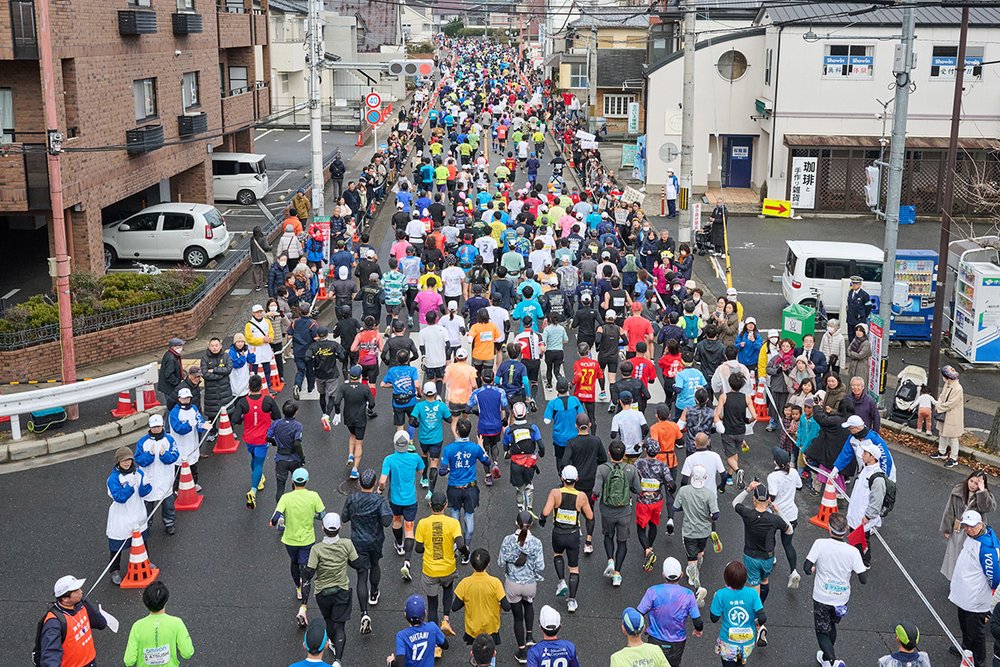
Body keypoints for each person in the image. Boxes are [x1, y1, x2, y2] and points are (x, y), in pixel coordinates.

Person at [730, 480, 791, 646]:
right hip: (768, 558)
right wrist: (778, 511)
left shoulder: (748, 514)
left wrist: (748, 489)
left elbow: (735, 503)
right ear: (768, 500)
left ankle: (757, 619)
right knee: (765, 581)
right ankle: (759, 609)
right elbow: (789, 529)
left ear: (755, 500)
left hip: (750, 556)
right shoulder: (774, 519)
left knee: (754, 587)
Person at [802, 512, 867, 667]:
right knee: (831, 625)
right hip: (841, 598)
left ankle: (833, 660)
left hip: (822, 596)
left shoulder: (820, 544)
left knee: (822, 630)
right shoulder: (852, 551)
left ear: (829, 529)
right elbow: (863, 579)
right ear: (845, 531)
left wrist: (812, 570)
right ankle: (826, 659)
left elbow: (806, 568)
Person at [298, 513, 361, 667]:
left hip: (322, 593)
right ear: (340, 527)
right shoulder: (347, 544)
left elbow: (310, 572)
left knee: (328, 621)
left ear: (322, 528)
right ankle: (338, 661)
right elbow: (357, 564)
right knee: (340, 626)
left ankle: (331, 641)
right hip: (342, 591)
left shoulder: (316, 549)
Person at [341, 468, 393, 634]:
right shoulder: (378, 500)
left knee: (361, 575)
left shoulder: (352, 498)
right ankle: (374, 592)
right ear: (375, 483)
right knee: (375, 565)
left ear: (359, 482)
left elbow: (344, 518)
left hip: (358, 542)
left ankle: (364, 613)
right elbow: (386, 522)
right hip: (375, 540)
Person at [948, 510, 1000, 667]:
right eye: (965, 526)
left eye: (971, 526)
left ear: (980, 524)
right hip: (964, 594)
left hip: (974, 599)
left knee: (976, 633)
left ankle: (978, 661)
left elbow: (994, 578)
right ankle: (965, 649)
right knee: (964, 625)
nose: (968, 529)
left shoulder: (987, 548)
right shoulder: (974, 536)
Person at [415, 491, 468, 641]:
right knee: (448, 589)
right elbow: (460, 544)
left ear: (430, 505)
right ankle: (446, 618)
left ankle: (435, 642)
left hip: (430, 570)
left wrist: (429, 546)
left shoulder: (423, 523)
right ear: (445, 505)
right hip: (448, 568)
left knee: (432, 604)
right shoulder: (453, 523)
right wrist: (465, 553)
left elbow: (418, 549)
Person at [636, 557, 704, 666]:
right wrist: (698, 630)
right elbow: (698, 621)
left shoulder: (652, 591)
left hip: (655, 640)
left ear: (663, 575)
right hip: (677, 643)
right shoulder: (688, 594)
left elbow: (638, 614)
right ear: (681, 575)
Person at [270, 467, 325, 600]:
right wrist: (313, 515)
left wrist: (272, 522)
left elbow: (276, 517)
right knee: (305, 563)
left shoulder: (285, 498)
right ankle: (305, 586)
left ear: (293, 482)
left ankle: (298, 586)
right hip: (307, 539)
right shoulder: (313, 496)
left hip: (290, 540)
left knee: (294, 562)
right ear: (306, 481)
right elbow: (322, 514)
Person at [593, 440, 643, 588]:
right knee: (622, 542)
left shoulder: (602, 469)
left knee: (608, 536)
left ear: (609, 453)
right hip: (624, 512)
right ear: (624, 454)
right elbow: (638, 490)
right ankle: (617, 574)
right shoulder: (631, 469)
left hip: (607, 511)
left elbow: (596, 490)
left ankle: (610, 560)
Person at [498, 510, 545, 661]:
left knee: (518, 618)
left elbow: (500, 562)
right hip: (530, 584)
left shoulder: (507, 540)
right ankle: (530, 637)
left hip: (513, 584)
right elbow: (541, 566)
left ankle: (522, 651)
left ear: (515, 523)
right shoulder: (536, 543)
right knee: (529, 605)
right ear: (531, 524)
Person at [379, 431, 426, 582]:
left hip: (395, 498)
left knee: (397, 521)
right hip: (410, 499)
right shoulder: (415, 458)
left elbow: (382, 480)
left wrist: (380, 489)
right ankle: (407, 561)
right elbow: (421, 471)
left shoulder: (389, 459)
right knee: (409, 528)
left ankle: (399, 544)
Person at [231, 374, 281, 509]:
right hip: (262, 439)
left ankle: (258, 480)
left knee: (253, 458)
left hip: (249, 439)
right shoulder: (268, 401)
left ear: (249, 386)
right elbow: (278, 417)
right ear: (261, 386)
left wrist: (243, 418)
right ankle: (253, 489)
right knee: (259, 463)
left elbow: (234, 419)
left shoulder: (243, 402)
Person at [441, 417, 492, 551]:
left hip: (454, 488)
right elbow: (487, 462)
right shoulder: (475, 448)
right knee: (469, 516)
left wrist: (448, 470)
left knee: (455, 516)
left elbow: (441, 471)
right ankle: (467, 547)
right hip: (470, 488)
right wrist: (481, 447)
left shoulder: (448, 449)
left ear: (456, 431)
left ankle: (456, 545)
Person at [36, 575, 109, 667]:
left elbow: (101, 623)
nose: (81, 592)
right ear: (65, 598)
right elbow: (50, 656)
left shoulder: (81, 605)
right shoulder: (54, 623)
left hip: (90, 663)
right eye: (76, 590)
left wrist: (84, 602)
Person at [105, 447, 152, 587]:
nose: (127, 463)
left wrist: (146, 485)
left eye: (129, 460)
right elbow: (119, 497)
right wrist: (130, 486)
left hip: (137, 512)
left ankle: (146, 561)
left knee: (142, 540)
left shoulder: (138, 472)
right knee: (117, 545)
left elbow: (143, 493)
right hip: (121, 516)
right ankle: (114, 570)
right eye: (124, 460)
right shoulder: (113, 478)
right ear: (118, 462)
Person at [559, 414, 604, 555]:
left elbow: (564, 462)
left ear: (576, 426)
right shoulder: (596, 441)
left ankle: (575, 528)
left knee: (574, 507)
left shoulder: (571, 443)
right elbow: (603, 458)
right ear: (590, 425)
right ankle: (588, 542)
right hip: (591, 482)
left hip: (576, 483)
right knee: (590, 512)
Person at [123, 581, 195, 667]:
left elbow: (129, 661)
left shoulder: (137, 626)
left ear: (145, 602)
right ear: (166, 601)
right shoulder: (176, 623)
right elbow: (187, 653)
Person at [941, 471, 996, 580]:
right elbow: (950, 510)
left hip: (974, 532)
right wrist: (947, 528)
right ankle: (954, 579)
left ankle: (965, 581)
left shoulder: (983, 495)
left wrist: (982, 491)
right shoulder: (958, 490)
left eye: (976, 483)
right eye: (971, 481)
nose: (972, 485)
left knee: (969, 559)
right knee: (954, 556)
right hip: (958, 529)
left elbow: (988, 508)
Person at [709, 560, 765, 666]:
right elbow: (762, 617)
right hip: (747, 642)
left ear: (726, 578)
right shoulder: (753, 593)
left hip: (728, 643)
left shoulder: (720, 595)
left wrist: (716, 601)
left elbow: (714, 618)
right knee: (741, 662)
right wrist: (758, 623)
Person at [452, 549, 510, 648]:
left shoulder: (465, 583)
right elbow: (507, 607)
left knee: (476, 651)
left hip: (473, 629)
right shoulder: (495, 583)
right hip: (491, 628)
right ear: (488, 564)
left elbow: (455, 607)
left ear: (471, 563)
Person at [134, 414, 180, 536]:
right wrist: (150, 454)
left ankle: (169, 523)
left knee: (168, 505)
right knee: (148, 505)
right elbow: (138, 460)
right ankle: (146, 526)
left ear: (162, 425)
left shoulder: (169, 440)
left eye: (158, 426)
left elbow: (174, 457)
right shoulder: (143, 442)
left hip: (166, 479)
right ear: (149, 427)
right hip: (149, 480)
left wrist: (164, 454)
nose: (156, 429)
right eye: (154, 427)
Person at [844, 442, 888, 566]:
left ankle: (864, 562)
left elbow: (877, 500)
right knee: (855, 539)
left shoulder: (877, 478)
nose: (862, 455)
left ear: (872, 457)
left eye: (865, 453)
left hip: (863, 517)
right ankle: (856, 560)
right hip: (856, 514)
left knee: (862, 541)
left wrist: (868, 516)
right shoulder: (865, 469)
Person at [635, 438, 674, 573]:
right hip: (657, 501)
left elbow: (634, 480)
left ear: (646, 450)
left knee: (641, 528)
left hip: (643, 501)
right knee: (653, 525)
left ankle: (647, 550)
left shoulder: (638, 463)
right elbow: (671, 484)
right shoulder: (662, 466)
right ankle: (650, 547)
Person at [766, 448, 803, 589]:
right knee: (788, 544)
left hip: (775, 515)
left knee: (770, 538)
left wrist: (765, 501)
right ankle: (793, 571)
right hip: (791, 515)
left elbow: (773, 495)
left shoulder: (772, 477)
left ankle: (771, 561)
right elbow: (799, 487)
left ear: (775, 461)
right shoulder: (793, 472)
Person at [332, 365, 376, 480]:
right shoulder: (364, 388)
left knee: (352, 435)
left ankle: (350, 455)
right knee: (359, 443)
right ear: (361, 376)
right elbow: (372, 403)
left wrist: (337, 413)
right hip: (360, 418)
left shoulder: (344, 387)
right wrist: (368, 407)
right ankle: (355, 470)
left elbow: (336, 401)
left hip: (348, 418)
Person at [410, 382, 453, 499]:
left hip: (423, 438)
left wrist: (418, 424)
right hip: (436, 439)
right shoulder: (441, 406)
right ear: (435, 393)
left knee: (424, 454)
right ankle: (431, 491)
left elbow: (411, 421)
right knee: (434, 463)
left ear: (423, 393)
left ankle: (424, 478)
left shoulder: (419, 406)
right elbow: (449, 420)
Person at [714, 373, 755, 489]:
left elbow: (718, 413)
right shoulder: (746, 397)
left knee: (729, 457)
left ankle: (738, 471)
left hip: (728, 431)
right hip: (740, 431)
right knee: (735, 453)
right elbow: (755, 415)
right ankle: (729, 477)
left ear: (729, 384)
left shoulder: (724, 397)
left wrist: (720, 419)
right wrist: (747, 420)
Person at [388, 595, 448, 666]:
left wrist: (391, 662)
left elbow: (400, 664)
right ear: (425, 613)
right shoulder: (432, 627)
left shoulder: (402, 636)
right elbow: (445, 645)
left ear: (405, 615)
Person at [168, 386, 207, 490]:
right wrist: (189, 424)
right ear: (179, 399)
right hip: (180, 446)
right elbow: (178, 429)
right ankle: (176, 488)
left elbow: (199, 420)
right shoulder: (174, 413)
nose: (186, 400)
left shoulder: (194, 408)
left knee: (193, 465)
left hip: (192, 443)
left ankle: (194, 483)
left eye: (188, 398)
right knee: (179, 468)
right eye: (184, 398)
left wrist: (203, 425)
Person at [267, 400, 306, 502]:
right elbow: (297, 443)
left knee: (280, 488)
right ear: (295, 412)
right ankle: (295, 506)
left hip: (281, 459)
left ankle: (279, 513)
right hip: (294, 459)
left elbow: (267, 437)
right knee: (297, 486)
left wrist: (274, 442)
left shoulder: (276, 423)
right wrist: (302, 457)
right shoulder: (298, 426)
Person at [931, 365, 965, 468]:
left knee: (953, 437)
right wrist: (939, 404)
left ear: (947, 377)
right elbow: (942, 395)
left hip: (953, 415)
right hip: (945, 413)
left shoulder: (958, 388)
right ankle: (942, 452)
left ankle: (953, 458)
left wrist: (939, 407)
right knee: (942, 433)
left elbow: (951, 404)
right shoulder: (948, 384)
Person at [200, 336, 233, 439]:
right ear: (209, 347)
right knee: (211, 414)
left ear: (220, 346)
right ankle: (212, 432)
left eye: (216, 345)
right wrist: (220, 374)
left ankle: (231, 431)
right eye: (212, 345)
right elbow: (205, 374)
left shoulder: (226, 356)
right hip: (211, 392)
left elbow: (228, 369)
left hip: (225, 390)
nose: (214, 348)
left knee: (228, 413)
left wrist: (214, 370)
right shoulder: (204, 359)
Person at [245, 304, 276, 390]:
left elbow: (271, 333)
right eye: (256, 312)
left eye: (260, 312)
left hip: (265, 349)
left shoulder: (267, 322)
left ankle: (268, 386)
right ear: (253, 313)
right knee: (254, 371)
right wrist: (262, 340)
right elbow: (249, 339)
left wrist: (269, 339)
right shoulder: (249, 325)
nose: (258, 314)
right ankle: (254, 388)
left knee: (267, 369)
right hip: (255, 351)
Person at [157, 337, 185, 406]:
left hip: (167, 387)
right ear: (173, 347)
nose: (181, 348)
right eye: (179, 346)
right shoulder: (171, 358)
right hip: (169, 388)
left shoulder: (170, 354)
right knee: (171, 407)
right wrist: (177, 383)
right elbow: (169, 375)